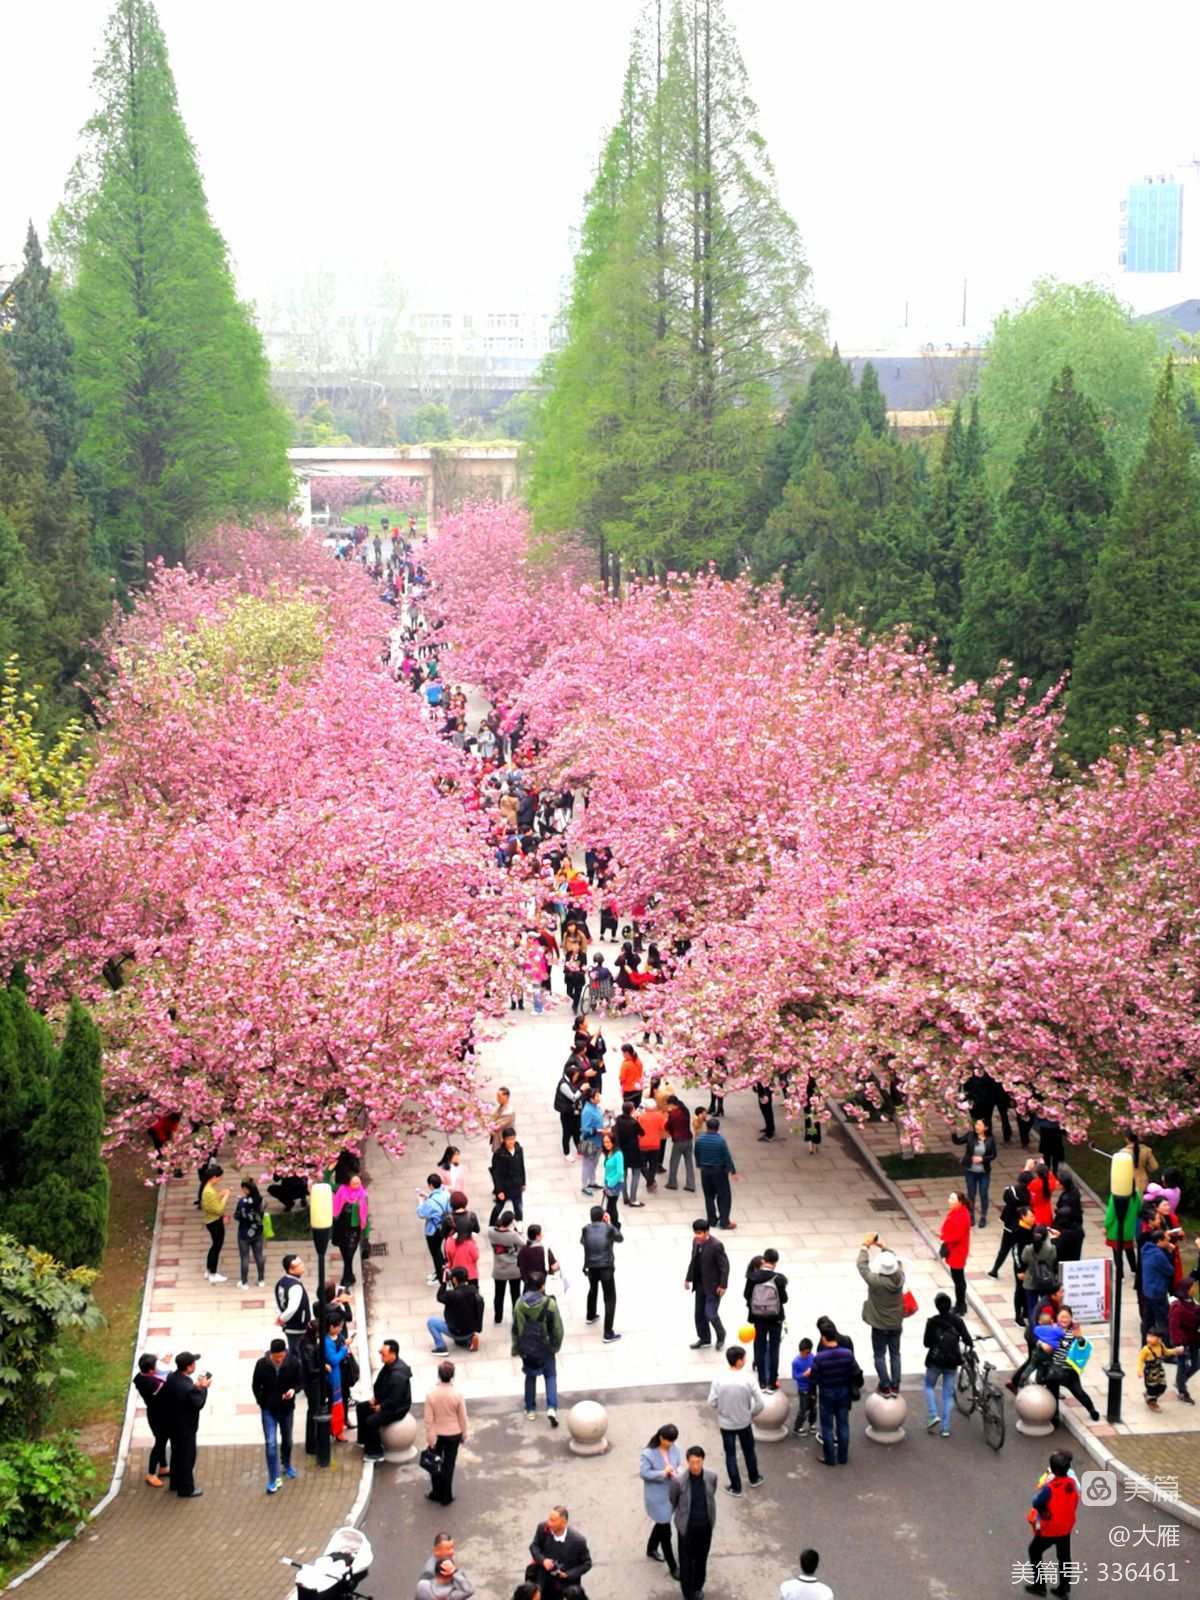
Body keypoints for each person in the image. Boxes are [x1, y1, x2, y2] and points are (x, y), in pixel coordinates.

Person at [708, 1345, 765, 1495]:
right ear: (739, 1361)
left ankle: (736, 1487)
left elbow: (712, 1402)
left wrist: (723, 1410)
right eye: (744, 1358)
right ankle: (754, 1478)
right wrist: (750, 1414)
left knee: (730, 1455)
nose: (746, 1360)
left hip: (726, 1424)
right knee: (749, 1451)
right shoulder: (748, 1379)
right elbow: (760, 1403)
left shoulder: (719, 1379)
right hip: (744, 1422)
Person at [1023, 1450, 1079, 1597]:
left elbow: (1036, 1502)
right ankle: (1064, 1589)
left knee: (1034, 1551)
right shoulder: (1072, 1484)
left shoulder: (1049, 1488)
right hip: (1066, 1527)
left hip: (1049, 1529)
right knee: (1064, 1557)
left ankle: (1040, 1586)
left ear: (1052, 1470)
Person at [512, 1269, 564, 1425]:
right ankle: (552, 1408)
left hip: (528, 1347)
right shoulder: (550, 1303)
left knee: (530, 1376)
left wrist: (517, 1348)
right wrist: (555, 1345)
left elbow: (516, 1328)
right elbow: (557, 1329)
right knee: (550, 1376)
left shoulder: (520, 1304)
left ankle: (530, 1410)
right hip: (546, 1347)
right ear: (542, 1286)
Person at [252, 1336, 302, 1493]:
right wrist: (262, 1401)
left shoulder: (293, 1363)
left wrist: (293, 1390)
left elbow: (300, 1382)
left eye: (281, 1356)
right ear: (271, 1354)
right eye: (276, 1357)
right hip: (269, 1409)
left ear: (285, 1353)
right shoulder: (262, 1364)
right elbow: (255, 1385)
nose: (279, 1360)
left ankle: (286, 1464)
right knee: (271, 1443)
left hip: (286, 1409)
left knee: (287, 1439)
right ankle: (273, 1478)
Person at [856, 1234, 905, 1395]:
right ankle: (896, 1385)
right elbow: (896, 1260)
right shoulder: (900, 1278)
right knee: (895, 1354)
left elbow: (862, 1266)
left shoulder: (875, 1281)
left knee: (879, 1355)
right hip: (896, 1323)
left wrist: (865, 1246)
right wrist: (884, 1247)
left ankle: (884, 1385)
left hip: (879, 1324)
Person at [669, 1445, 717, 1600]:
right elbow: (673, 1500)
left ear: (703, 1460)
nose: (695, 1466)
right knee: (686, 1563)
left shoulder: (711, 1476)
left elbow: (711, 1494)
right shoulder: (679, 1481)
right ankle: (688, 1594)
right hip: (686, 1530)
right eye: (692, 1462)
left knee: (702, 1559)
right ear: (687, 1462)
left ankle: (698, 1587)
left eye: (698, 1462)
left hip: (705, 1528)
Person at [922, 1292, 973, 1437]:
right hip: (952, 1361)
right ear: (950, 1305)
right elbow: (967, 1339)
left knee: (929, 1386)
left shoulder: (932, 1322)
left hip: (935, 1361)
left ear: (937, 1307)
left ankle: (933, 1415)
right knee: (947, 1394)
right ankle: (945, 1428)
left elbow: (926, 1343)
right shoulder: (957, 1321)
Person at [161, 1351, 210, 1497]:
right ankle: (186, 1489)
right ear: (189, 1367)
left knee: (177, 1454)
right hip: (185, 1427)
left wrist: (196, 1387)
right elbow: (198, 1403)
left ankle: (175, 1483)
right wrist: (204, 1388)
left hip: (172, 1424)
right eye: (193, 1363)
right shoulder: (187, 1386)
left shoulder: (172, 1378)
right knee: (188, 1457)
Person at [811, 1328, 861, 1467]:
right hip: (843, 1393)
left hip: (826, 1394)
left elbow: (814, 1379)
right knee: (843, 1425)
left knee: (827, 1427)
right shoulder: (847, 1354)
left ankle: (830, 1458)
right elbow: (856, 1372)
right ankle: (843, 1457)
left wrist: (813, 1394)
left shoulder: (819, 1357)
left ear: (824, 1338)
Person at [357, 1339, 412, 1461]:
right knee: (361, 1407)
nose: (381, 1356)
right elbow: (379, 1384)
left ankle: (375, 1452)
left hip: (397, 1408)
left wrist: (381, 1407)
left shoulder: (398, 1374)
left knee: (371, 1421)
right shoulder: (388, 1366)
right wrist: (375, 1399)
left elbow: (396, 1399)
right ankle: (364, 1440)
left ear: (393, 1354)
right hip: (385, 1401)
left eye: (383, 1353)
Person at [639, 1423, 682, 1578]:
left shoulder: (675, 1448)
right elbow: (644, 1473)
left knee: (661, 1523)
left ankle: (651, 1548)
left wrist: (677, 1472)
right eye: (668, 1441)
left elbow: (678, 1466)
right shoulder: (648, 1453)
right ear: (661, 1437)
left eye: (672, 1441)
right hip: (657, 1498)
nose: (670, 1444)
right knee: (666, 1532)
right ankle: (673, 1566)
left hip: (671, 1494)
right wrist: (663, 1473)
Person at [424, 1359, 468, 1505]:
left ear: (439, 1375)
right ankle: (446, 1496)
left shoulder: (431, 1395)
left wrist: (430, 1439)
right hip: (454, 1434)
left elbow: (428, 1421)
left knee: (434, 1464)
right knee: (449, 1465)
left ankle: (436, 1492)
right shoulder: (457, 1395)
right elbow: (462, 1417)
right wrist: (464, 1433)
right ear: (452, 1376)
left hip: (437, 1435)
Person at [745, 1247, 788, 1389]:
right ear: (775, 1262)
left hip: (758, 1318)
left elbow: (746, 1295)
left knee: (760, 1346)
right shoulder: (779, 1278)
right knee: (774, 1349)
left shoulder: (753, 1277)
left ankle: (762, 1380)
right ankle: (772, 1381)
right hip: (775, 1318)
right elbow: (784, 1299)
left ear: (764, 1260)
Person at [529, 1507, 592, 1600]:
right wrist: (543, 1561)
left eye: (553, 1520)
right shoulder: (542, 1529)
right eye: (549, 1519)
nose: (549, 1523)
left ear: (563, 1522)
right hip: (545, 1581)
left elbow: (587, 1564)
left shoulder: (578, 1541)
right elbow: (534, 1546)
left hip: (565, 1586)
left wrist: (568, 1574)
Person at [581, 1204, 622, 1342]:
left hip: (591, 1266)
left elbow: (583, 1242)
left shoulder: (585, 1229)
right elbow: (620, 1238)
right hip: (606, 1267)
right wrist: (609, 1223)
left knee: (593, 1289)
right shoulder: (609, 1228)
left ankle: (590, 1315)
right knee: (610, 1298)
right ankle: (608, 1333)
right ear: (603, 1216)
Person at [687, 1218, 730, 1350]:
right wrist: (688, 1278)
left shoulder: (716, 1245)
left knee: (710, 1313)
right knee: (699, 1314)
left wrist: (723, 1285)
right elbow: (693, 1261)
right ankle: (704, 1338)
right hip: (700, 1284)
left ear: (707, 1232)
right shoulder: (695, 1242)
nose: (697, 1236)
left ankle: (721, 1334)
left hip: (713, 1286)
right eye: (696, 1233)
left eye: (700, 1233)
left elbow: (724, 1266)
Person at [132, 1351, 172, 1486]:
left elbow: (159, 1375)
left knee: (161, 1439)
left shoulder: (141, 1377)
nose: (157, 1368)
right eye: (156, 1366)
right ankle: (150, 1474)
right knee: (160, 1443)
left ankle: (163, 1467)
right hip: (159, 1416)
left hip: (155, 1414)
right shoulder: (152, 1384)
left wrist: (163, 1363)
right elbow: (168, 1380)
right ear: (150, 1371)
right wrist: (169, 1368)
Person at [951, 1118, 997, 1227]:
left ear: (985, 1128)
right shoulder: (970, 1136)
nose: (977, 1126)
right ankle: (971, 1215)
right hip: (970, 1171)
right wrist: (953, 1131)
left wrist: (982, 1159)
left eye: (979, 1125)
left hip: (984, 1172)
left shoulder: (990, 1139)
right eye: (976, 1124)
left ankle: (983, 1216)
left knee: (983, 1193)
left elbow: (993, 1155)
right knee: (971, 1194)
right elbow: (957, 1141)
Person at [695, 1117, 738, 1230]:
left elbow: (697, 1153)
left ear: (706, 1126)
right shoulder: (720, 1141)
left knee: (709, 1196)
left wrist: (700, 1165)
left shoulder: (700, 1139)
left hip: (705, 1171)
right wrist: (733, 1171)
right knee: (724, 1196)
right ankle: (724, 1221)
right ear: (718, 1128)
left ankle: (712, 1220)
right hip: (719, 1172)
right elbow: (727, 1157)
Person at [428, 1266, 484, 1353]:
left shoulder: (452, 1295)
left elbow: (439, 1297)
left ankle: (441, 1347)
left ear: (454, 1279)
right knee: (459, 1340)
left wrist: (444, 1283)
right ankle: (470, 1339)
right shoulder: (474, 1292)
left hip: (455, 1331)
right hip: (470, 1330)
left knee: (431, 1322)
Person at [332, 1171, 368, 1290]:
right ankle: (350, 1276)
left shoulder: (363, 1195)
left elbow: (365, 1215)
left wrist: (366, 1235)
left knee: (349, 1255)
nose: (357, 1184)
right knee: (344, 1254)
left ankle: (345, 1281)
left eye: (359, 1182)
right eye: (354, 1183)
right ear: (349, 1183)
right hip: (341, 1228)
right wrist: (328, 1170)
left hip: (354, 1230)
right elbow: (327, 1183)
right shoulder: (342, 1190)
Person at [488, 1210, 526, 1325]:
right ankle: (516, 1317)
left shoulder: (491, 1233)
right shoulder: (513, 1236)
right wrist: (518, 1231)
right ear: (510, 1222)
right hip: (514, 1270)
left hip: (499, 1270)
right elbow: (524, 1244)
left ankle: (498, 1317)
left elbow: (492, 1228)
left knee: (498, 1295)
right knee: (515, 1295)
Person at [990, 1175, 1032, 1278]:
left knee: (1004, 1249)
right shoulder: (1027, 1195)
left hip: (1010, 1226)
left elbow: (1006, 1198)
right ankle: (1022, 1270)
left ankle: (995, 1269)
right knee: (1019, 1249)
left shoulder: (1013, 1192)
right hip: (1021, 1226)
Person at [939, 1190, 973, 1314]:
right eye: (950, 1198)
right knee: (958, 1279)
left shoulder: (962, 1215)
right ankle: (960, 1304)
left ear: (960, 1202)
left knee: (958, 1280)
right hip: (955, 1249)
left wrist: (944, 1238)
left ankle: (961, 1305)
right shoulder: (957, 1211)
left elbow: (957, 1235)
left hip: (958, 1251)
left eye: (953, 1199)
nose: (949, 1200)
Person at [1019, 1226, 1060, 1327]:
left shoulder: (1028, 1249)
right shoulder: (1051, 1249)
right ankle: (1045, 1326)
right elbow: (1053, 1261)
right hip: (1046, 1281)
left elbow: (1023, 1260)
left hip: (1030, 1282)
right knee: (1045, 1307)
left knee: (1032, 1309)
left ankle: (1033, 1329)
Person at [1140, 1229, 1176, 1339]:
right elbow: (1170, 1271)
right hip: (1158, 1292)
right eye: (1166, 1239)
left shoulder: (1146, 1250)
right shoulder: (1158, 1255)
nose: (1169, 1240)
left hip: (1147, 1290)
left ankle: (1145, 1343)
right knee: (1163, 1320)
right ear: (1159, 1241)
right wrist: (1170, 1253)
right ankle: (1166, 1347)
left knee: (1148, 1319)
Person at [1168, 1278, 1200, 1404]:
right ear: (1186, 1289)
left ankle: (1180, 1382)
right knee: (1182, 1365)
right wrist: (1178, 1344)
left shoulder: (1193, 1303)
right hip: (1182, 1343)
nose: (1195, 1289)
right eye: (1193, 1287)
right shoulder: (1177, 1307)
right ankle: (1182, 1391)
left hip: (1194, 1339)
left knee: (1196, 1364)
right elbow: (1173, 1327)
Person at [417, 1175, 452, 1285]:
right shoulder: (446, 1194)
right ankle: (441, 1272)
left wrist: (420, 1201)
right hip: (444, 1227)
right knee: (440, 1251)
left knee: (436, 1253)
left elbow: (421, 1213)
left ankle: (441, 1277)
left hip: (433, 1231)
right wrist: (427, 1197)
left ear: (431, 1185)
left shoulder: (430, 1203)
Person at [490, 1127, 527, 1224]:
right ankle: (492, 1224)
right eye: (509, 1139)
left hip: (516, 1185)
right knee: (498, 1207)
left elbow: (521, 1166)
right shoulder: (499, 1155)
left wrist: (523, 1182)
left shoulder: (519, 1150)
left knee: (518, 1208)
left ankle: (519, 1226)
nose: (511, 1142)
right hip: (505, 1187)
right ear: (504, 1140)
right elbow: (496, 1174)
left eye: (513, 1139)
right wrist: (499, 1190)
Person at [1137, 1327, 1180, 1411]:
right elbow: (1140, 1360)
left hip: (1159, 1370)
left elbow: (1166, 1352)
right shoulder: (1146, 1350)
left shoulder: (1161, 1345)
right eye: (1148, 1336)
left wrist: (1175, 1350)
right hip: (1150, 1372)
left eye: (1152, 1337)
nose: (1149, 1339)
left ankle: (1149, 1395)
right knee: (1152, 1387)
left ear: (1159, 1339)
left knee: (1162, 1386)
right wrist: (1140, 1370)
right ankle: (1152, 1402)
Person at [235, 1178, 266, 1290]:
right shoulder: (262, 1200)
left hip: (244, 1233)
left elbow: (237, 1216)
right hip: (257, 1231)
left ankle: (244, 1282)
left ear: (246, 1189)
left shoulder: (242, 1202)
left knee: (245, 1258)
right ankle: (261, 1280)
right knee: (259, 1256)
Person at [200, 1164, 230, 1283]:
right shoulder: (209, 1191)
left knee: (214, 1246)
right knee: (216, 1247)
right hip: (214, 1222)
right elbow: (219, 1209)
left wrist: (220, 1195)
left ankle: (209, 1270)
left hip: (211, 1220)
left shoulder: (208, 1189)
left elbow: (211, 1203)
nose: (220, 1180)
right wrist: (226, 1197)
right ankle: (213, 1273)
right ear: (213, 1177)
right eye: (219, 1178)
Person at [613, 1100, 645, 1206]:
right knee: (636, 1174)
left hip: (621, 1151)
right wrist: (636, 1119)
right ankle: (633, 1199)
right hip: (633, 1151)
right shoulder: (633, 1122)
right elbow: (642, 1132)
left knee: (624, 1175)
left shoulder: (618, 1119)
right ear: (631, 1110)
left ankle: (625, 1197)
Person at [665, 1095, 696, 1192]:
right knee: (689, 1162)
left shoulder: (673, 1114)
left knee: (674, 1162)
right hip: (688, 1139)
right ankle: (691, 1184)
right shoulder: (685, 1109)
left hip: (678, 1141)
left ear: (671, 1104)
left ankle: (672, 1183)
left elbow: (668, 1126)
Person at [518, 1222, 559, 1293]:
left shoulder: (522, 1250)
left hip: (527, 1285)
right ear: (537, 1236)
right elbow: (554, 1267)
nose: (542, 1235)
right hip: (540, 1286)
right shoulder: (544, 1250)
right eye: (541, 1233)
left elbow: (519, 1265)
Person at [636, 1099, 667, 1194]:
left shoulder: (641, 1117)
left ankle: (650, 1180)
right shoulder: (660, 1116)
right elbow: (664, 1128)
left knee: (641, 1164)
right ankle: (650, 1182)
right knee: (653, 1164)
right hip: (655, 1144)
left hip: (643, 1144)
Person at [579, 1087, 604, 1196]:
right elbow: (585, 1128)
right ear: (591, 1099)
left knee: (594, 1163)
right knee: (587, 1164)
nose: (599, 1097)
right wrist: (597, 1130)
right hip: (590, 1142)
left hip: (599, 1141)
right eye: (597, 1096)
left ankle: (592, 1181)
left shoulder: (596, 1107)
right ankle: (584, 1185)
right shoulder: (587, 1111)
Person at [791, 1338, 817, 1436]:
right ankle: (797, 1427)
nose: (805, 1355)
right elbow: (794, 1376)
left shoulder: (813, 1357)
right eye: (803, 1353)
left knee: (813, 1407)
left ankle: (812, 1424)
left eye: (807, 1353)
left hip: (812, 1386)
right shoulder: (796, 1362)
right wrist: (804, 1374)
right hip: (803, 1389)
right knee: (803, 1409)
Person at [600, 1128, 624, 1229]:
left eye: (609, 1142)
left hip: (615, 1184)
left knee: (611, 1207)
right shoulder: (608, 1152)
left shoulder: (618, 1154)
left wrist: (610, 1183)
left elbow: (620, 1172)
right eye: (605, 1142)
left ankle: (616, 1226)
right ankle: (614, 1225)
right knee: (610, 1206)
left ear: (613, 1142)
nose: (606, 1144)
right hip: (609, 1182)